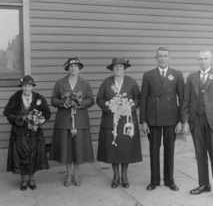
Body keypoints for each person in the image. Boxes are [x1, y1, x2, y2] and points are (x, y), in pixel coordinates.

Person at [182, 49, 213, 202]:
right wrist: (185, 121)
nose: (202, 61)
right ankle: (204, 184)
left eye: (205, 58)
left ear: (211, 59)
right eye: (200, 59)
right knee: (200, 155)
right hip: (197, 122)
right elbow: (186, 101)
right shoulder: (192, 77)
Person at [140, 47, 185, 191]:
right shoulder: (148, 75)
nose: (163, 59)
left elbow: (182, 99)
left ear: (169, 58)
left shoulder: (177, 74)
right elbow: (143, 99)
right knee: (154, 150)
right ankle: (154, 181)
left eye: (165, 56)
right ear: (156, 58)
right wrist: (143, 121)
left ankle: (169, 180)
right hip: (153, 119)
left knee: (169, 150)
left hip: (171, 119)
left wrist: (181, 121)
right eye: (160, 56)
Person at [96, 57, 142, 189]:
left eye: (120, 66)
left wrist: (129, 107)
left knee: (125, 149)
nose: (118, 69)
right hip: (111, 120)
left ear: (124, 68)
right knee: (113, 149)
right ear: (112, 69)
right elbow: (99, 99)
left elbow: (138, 98)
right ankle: (116, 176)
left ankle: (125, 175)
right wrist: (109, 106)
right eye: (115, 66)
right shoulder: (106, 82)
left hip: (126, 121)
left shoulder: (131, 82)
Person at [49, 57, 95, 187]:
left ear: (79, 68)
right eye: (71, 67)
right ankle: (68, 174)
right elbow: (53, 100)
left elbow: (91, 100)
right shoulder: (60, 83)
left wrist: (79, 104)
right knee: (67, 148)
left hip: (80, 120)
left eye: (76, 66)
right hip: (64, 120)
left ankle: (77, 174)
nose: (73, 69)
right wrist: (64, 103)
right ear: (67, 68)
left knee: (78, 148)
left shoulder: (85, 83)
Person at [3, 75, 51, 191]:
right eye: (24, 86)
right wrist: (22, 118)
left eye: (29, 86)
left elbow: (47, 113)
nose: (27, 89)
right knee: (21, 157)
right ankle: (24, 180)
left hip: (35, 134)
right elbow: (8, 114)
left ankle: (32, 179)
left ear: (32, 87)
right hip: (19, 134)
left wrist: (40, 121)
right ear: (21, 87)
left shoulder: (39, 98)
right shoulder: (15, 98)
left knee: (33, 156)